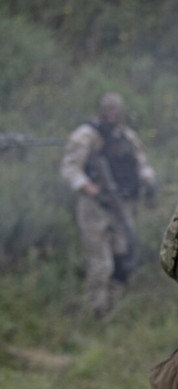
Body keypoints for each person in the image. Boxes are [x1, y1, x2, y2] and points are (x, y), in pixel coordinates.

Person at [60, 92, 157, 318]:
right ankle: (95, 312)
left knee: (124, 258)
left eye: (116, 111)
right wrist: (87, 187)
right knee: (101, 263)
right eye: (108, 110)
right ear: (101, 110)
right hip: (95, 206)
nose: (112, 115)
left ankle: (111, 309)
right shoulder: (87, 136)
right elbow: (70, 168)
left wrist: (149, 179)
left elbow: (140, 162)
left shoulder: (126, 136)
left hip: (122, 205)